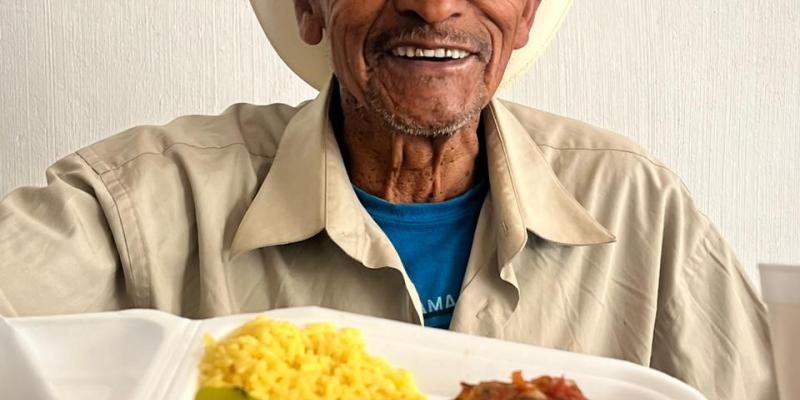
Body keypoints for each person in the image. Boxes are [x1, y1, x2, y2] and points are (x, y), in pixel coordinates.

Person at [0, 0, 777, 398]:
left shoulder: (642, 209)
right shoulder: (146, 197)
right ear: (311, 4)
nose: (435, 4)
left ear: (528, 10)